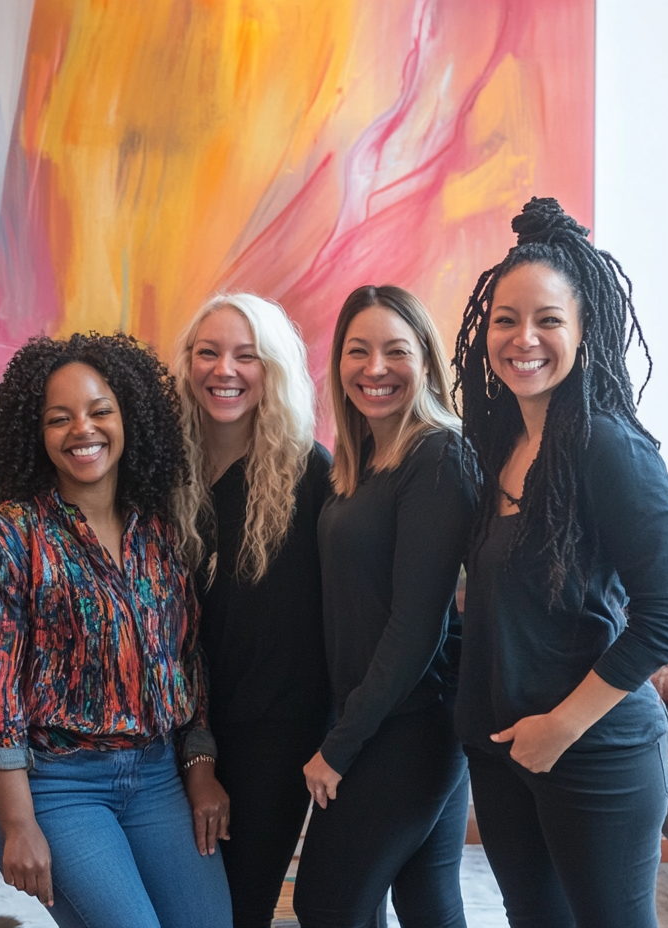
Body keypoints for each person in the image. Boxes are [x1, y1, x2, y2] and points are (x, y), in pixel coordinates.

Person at [451, 197, 668, 927]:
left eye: (548, 320)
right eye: (506, 319)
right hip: (502, 751)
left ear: (584, 331)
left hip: (594, 750)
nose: (523, 338)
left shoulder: (611, 447)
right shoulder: (493, 444)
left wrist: (560, 725)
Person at [0, 332, 233, 928]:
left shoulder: (158, 530)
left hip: (157, 776)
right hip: (57, 785)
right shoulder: (8, 537)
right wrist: (17, 823)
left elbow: (185, 659)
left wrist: (200, 766)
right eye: (59, 418)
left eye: (99, 411)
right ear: (36, 434)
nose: (82, 429)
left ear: (129, 418)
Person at [294, 285, 474, 928]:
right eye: (357, 351)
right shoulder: (363, 460)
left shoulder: (438, 455)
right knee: (426, 900)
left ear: (425, 359)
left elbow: (415, 626)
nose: (375, 368)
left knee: (325, 903)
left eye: (396, 351)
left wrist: (339, 745)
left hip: (409, 724)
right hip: (390, 718)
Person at [171, 293, 332, 928]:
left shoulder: (310, 475)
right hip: (175, 730)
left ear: (274, 369)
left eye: (247, 356)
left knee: (242, 907)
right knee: (183, 906)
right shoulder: (163, 471)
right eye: (208, 353)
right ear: (188, 362)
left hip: (276, 734)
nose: (225, 370)